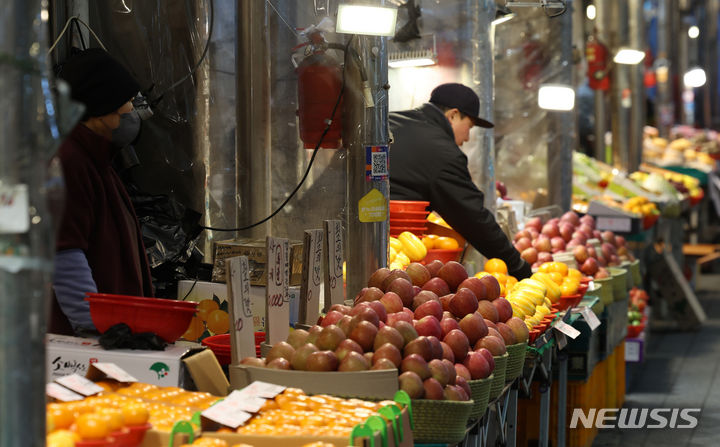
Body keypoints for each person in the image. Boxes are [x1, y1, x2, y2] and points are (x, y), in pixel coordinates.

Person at [50, 48, 154, 335]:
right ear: (101, 109)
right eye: (128, 103)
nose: (133, 111)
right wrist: (97, 328)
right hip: (85, 347)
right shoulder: (69, 163)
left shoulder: (98, 161)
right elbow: (64, 255)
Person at [389, 83, 532, 280]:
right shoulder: (443, 153)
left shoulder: (390, 120)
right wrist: (519, 267)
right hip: (392, 258)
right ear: (453, 115)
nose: (466, 138)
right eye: (469, 127)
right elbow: (473, 218)